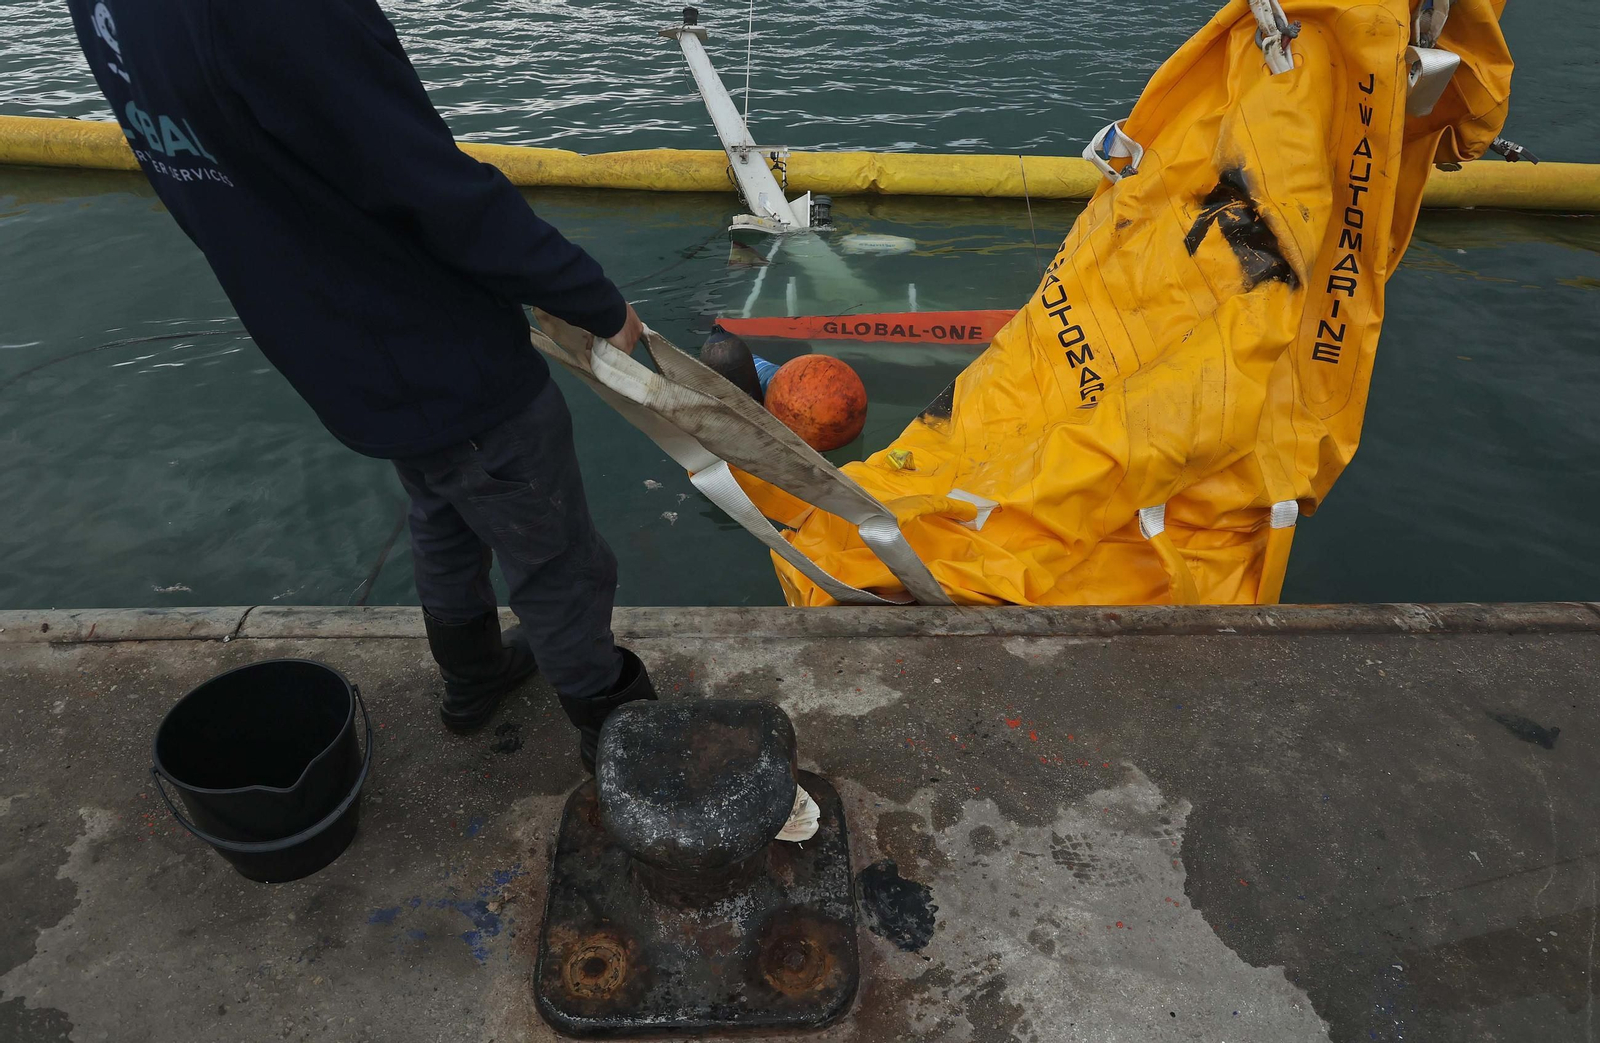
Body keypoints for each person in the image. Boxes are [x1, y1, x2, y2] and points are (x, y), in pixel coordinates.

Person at [67, 0, 655, 769]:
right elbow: (426, 180)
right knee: (555, 556)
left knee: (442, 498)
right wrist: (590, 297)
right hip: (435, 343)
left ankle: (474, 680)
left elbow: (181, 169)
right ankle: (619, 731)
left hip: (327, 343)